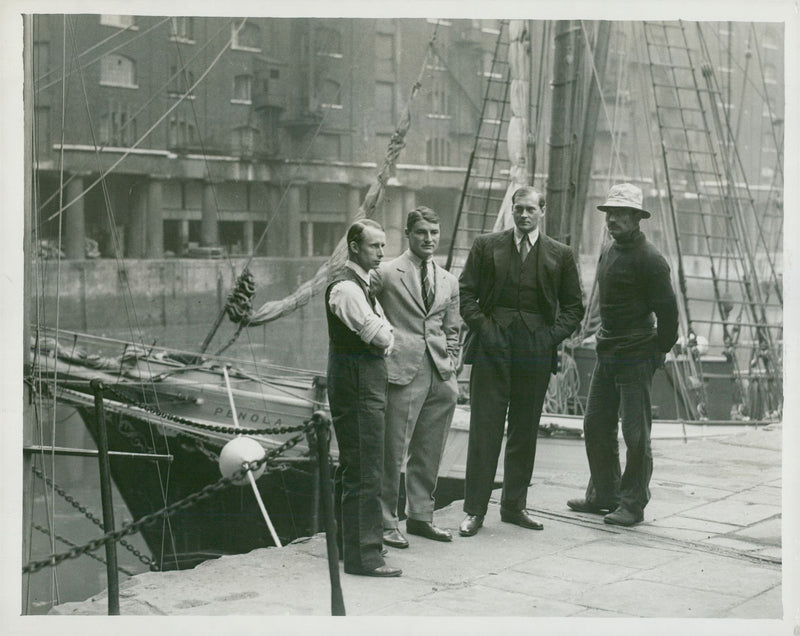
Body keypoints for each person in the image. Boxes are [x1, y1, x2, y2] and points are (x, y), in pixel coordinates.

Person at [458, 186, 585, 537]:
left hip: (535, 352)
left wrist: (547, 337)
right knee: (485, 429)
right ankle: (474, 511)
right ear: (512, 210)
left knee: (525, 430)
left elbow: (574, 307)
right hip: (491, 348)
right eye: (519, 209)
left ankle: (514, 507)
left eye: (531, 209)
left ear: (542, 211)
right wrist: (485, 329)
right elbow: (466, 294)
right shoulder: (487, 246)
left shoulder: (560, 254)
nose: (524, 215)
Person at [567, 183, 679, 527]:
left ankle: (633, 503)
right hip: (608, 351)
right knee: (596, 425)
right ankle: (605, 493)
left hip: (635, 355)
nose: (612, 220)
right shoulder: (609, 251)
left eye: (620, 215)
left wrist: (656, 352)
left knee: (635, 434)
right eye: (609, 214)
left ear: (636, 219)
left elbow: (669, 315)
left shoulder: (652, 260)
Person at [373, 207, 460, 549]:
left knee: (430, 449)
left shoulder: (448, 280)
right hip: (401, 371)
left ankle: (421, 516)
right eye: (422, 232)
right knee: (392, 451)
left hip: (440, 373)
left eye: (434, 233)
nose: (429, 239)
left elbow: (452, 328)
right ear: (409, 233)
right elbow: (365, 313)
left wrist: (451, 361)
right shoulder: (386, 273)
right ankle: (384, 522)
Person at [325, 218, 401, 577]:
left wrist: (383, 333)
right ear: (355, 246)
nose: (382, 253)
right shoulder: (346, 289)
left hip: (362, 382)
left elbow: (383, 332)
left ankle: (347, 546)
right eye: (375, 246)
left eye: (384, 246)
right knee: (366, 470)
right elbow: (383, 337)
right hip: (357, 386)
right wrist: (384, 334)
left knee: (355, 467)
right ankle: (365, 557)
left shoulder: (363, 284)